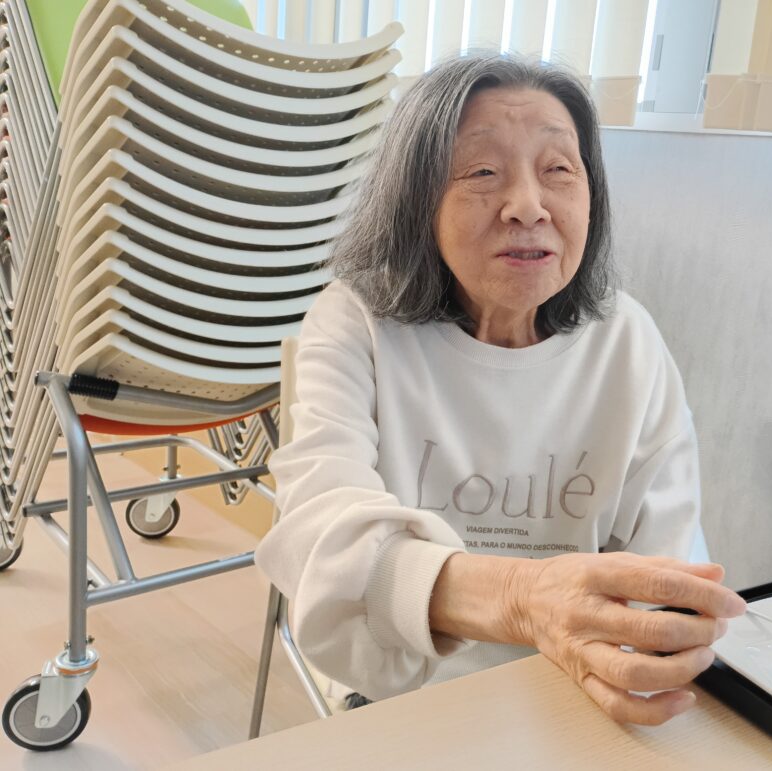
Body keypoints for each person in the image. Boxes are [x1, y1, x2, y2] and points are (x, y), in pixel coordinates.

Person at [255, 53, 745, 727]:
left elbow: (668, 565)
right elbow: (321, 536)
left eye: (559, 170)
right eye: (483, 172)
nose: (527, 206)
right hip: (405, 688)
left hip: (574, 689)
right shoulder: (357, 322)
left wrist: (659, 642)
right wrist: (525, 600)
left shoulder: (627, 340)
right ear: (418, 198)